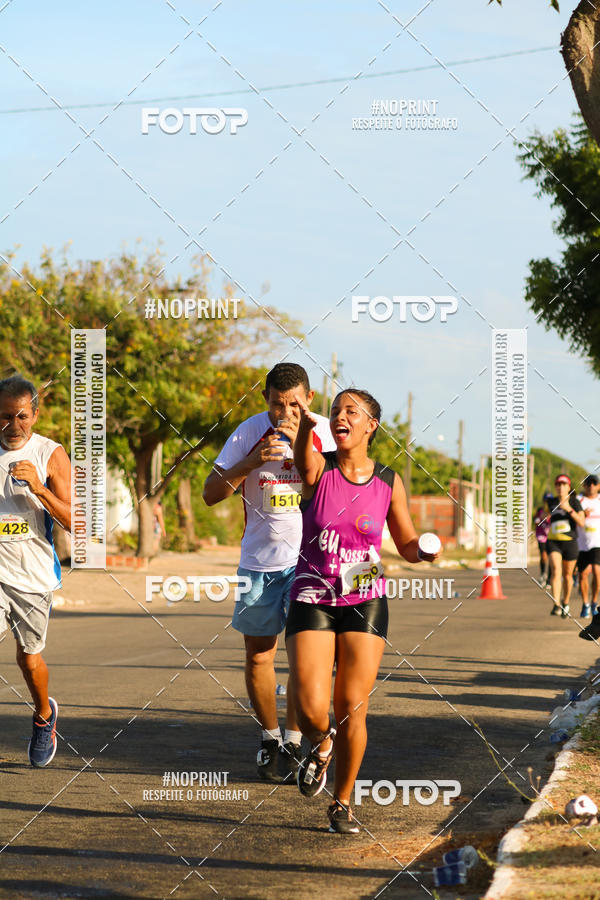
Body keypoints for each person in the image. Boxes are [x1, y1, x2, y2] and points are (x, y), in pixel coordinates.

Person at [286, 389, 440, 834]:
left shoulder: (388, 482)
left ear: (371, 425)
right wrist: (303, 429)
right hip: (313, 593)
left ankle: (342, 802)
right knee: (313, 709)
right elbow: (302, 457)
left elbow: (406, 543)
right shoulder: (319, 467)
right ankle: (320, 745)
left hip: (364, 596)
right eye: (336, 411)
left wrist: (423, 551)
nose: (341, 417)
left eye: (351, 412)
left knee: (352, 706)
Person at [203, 363, 335, 782]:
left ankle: (295, 741)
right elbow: (210, 493)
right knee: (259, 654)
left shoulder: (326, 432)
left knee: (304, 658)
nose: (285, 413)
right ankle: (270, 737)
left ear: (309, 399)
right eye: (277, 404)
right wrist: (249, 462)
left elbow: (344, 490)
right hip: (259, 562)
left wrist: (306, 451)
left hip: (310, 564)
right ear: (266, 401)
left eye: (294, 404)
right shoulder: (248, 431)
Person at [0, 374, 71, 766]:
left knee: (29, 659)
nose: (13, 425)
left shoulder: (50, 454)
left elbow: (76, 521)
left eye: (22, 416)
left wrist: (40, 489)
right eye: (5, 417)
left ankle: (44, 715)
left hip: (32, 575)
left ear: (35, 414)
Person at [545, 474, 585, 618]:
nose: (560, 487)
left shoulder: (574, 502)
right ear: (555, 487)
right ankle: (556, 604)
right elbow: (547, 516)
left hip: (570, 542)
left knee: (567, 575)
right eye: (558, 484)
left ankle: (565, 602)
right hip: (554, 541)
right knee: (556, 570)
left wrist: (568, 509)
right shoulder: (551, 501)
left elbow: (581, 522)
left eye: (563, 484)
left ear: (568, 487)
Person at [575, 475, 600, 619]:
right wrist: (582, 514)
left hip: (598, 543)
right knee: (583, 575)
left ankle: (594, 602)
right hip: (581, 544)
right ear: (584, 485)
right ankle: (585, 604)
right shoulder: (578, 500)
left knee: (598, 573)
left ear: (598, 486)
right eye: (588, 483)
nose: (591, 486)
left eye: (594, 483)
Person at [534, 503, 550, 587]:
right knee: (543, 556)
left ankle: (549, 579)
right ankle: (543, 574)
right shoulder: (540, 511)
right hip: (541, 537)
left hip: (551, 537)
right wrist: (542, 519)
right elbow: (536, 522)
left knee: (551, 558)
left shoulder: (553, 510)